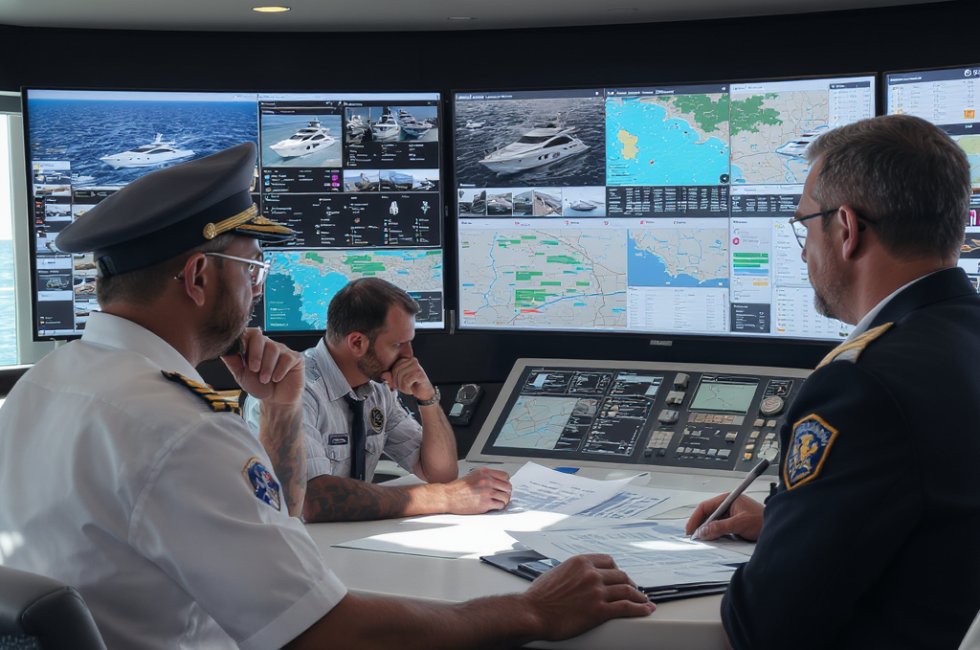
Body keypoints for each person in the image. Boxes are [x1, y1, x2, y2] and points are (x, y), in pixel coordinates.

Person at [0, 144, 654, 650]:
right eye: (253, 269)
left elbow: (276, 524)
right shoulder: (181, 427)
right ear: (198, 276)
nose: (256, 290)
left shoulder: (43, 387)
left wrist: (280, 406)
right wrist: (531, 610)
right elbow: (323, 633)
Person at [685, 114, 980, 650]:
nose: (803, 251)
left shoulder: (862, 386)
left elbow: (766, 628)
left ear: (846, 229)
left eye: (805, 225)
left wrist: (787, 549)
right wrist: (797, 526)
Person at [244, 277, 512, 522]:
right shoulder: (293, 391)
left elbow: (439, 473)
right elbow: (313, 500)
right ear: (357, 343)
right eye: (398, 344)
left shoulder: (377, 389)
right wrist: (447, 497)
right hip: (291, 543)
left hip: (343, 539)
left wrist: (428, 398)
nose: (409, 356)